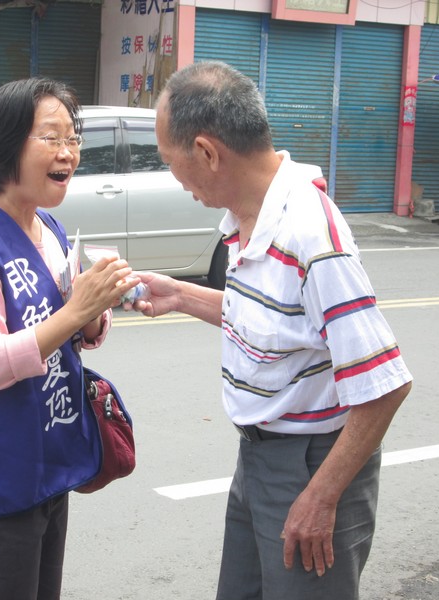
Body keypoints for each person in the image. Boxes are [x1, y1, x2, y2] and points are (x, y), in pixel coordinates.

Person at [128, 61, 413, 599]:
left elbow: (386, 383)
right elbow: (277, 324)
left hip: (311, 465)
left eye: (170, 162)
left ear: (209, 153)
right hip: (260, 457)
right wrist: (182, 295)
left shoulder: (310, 233)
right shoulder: (250, 217)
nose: (174, 178)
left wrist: (321, 496)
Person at [0, 77, 138, 600]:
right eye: (52, 138)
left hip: (47, 466)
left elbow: (68, 329)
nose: (69, 153)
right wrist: (76, 311)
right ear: (3, 146)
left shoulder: (49, 229)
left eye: (73, 138)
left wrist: (92, 314)